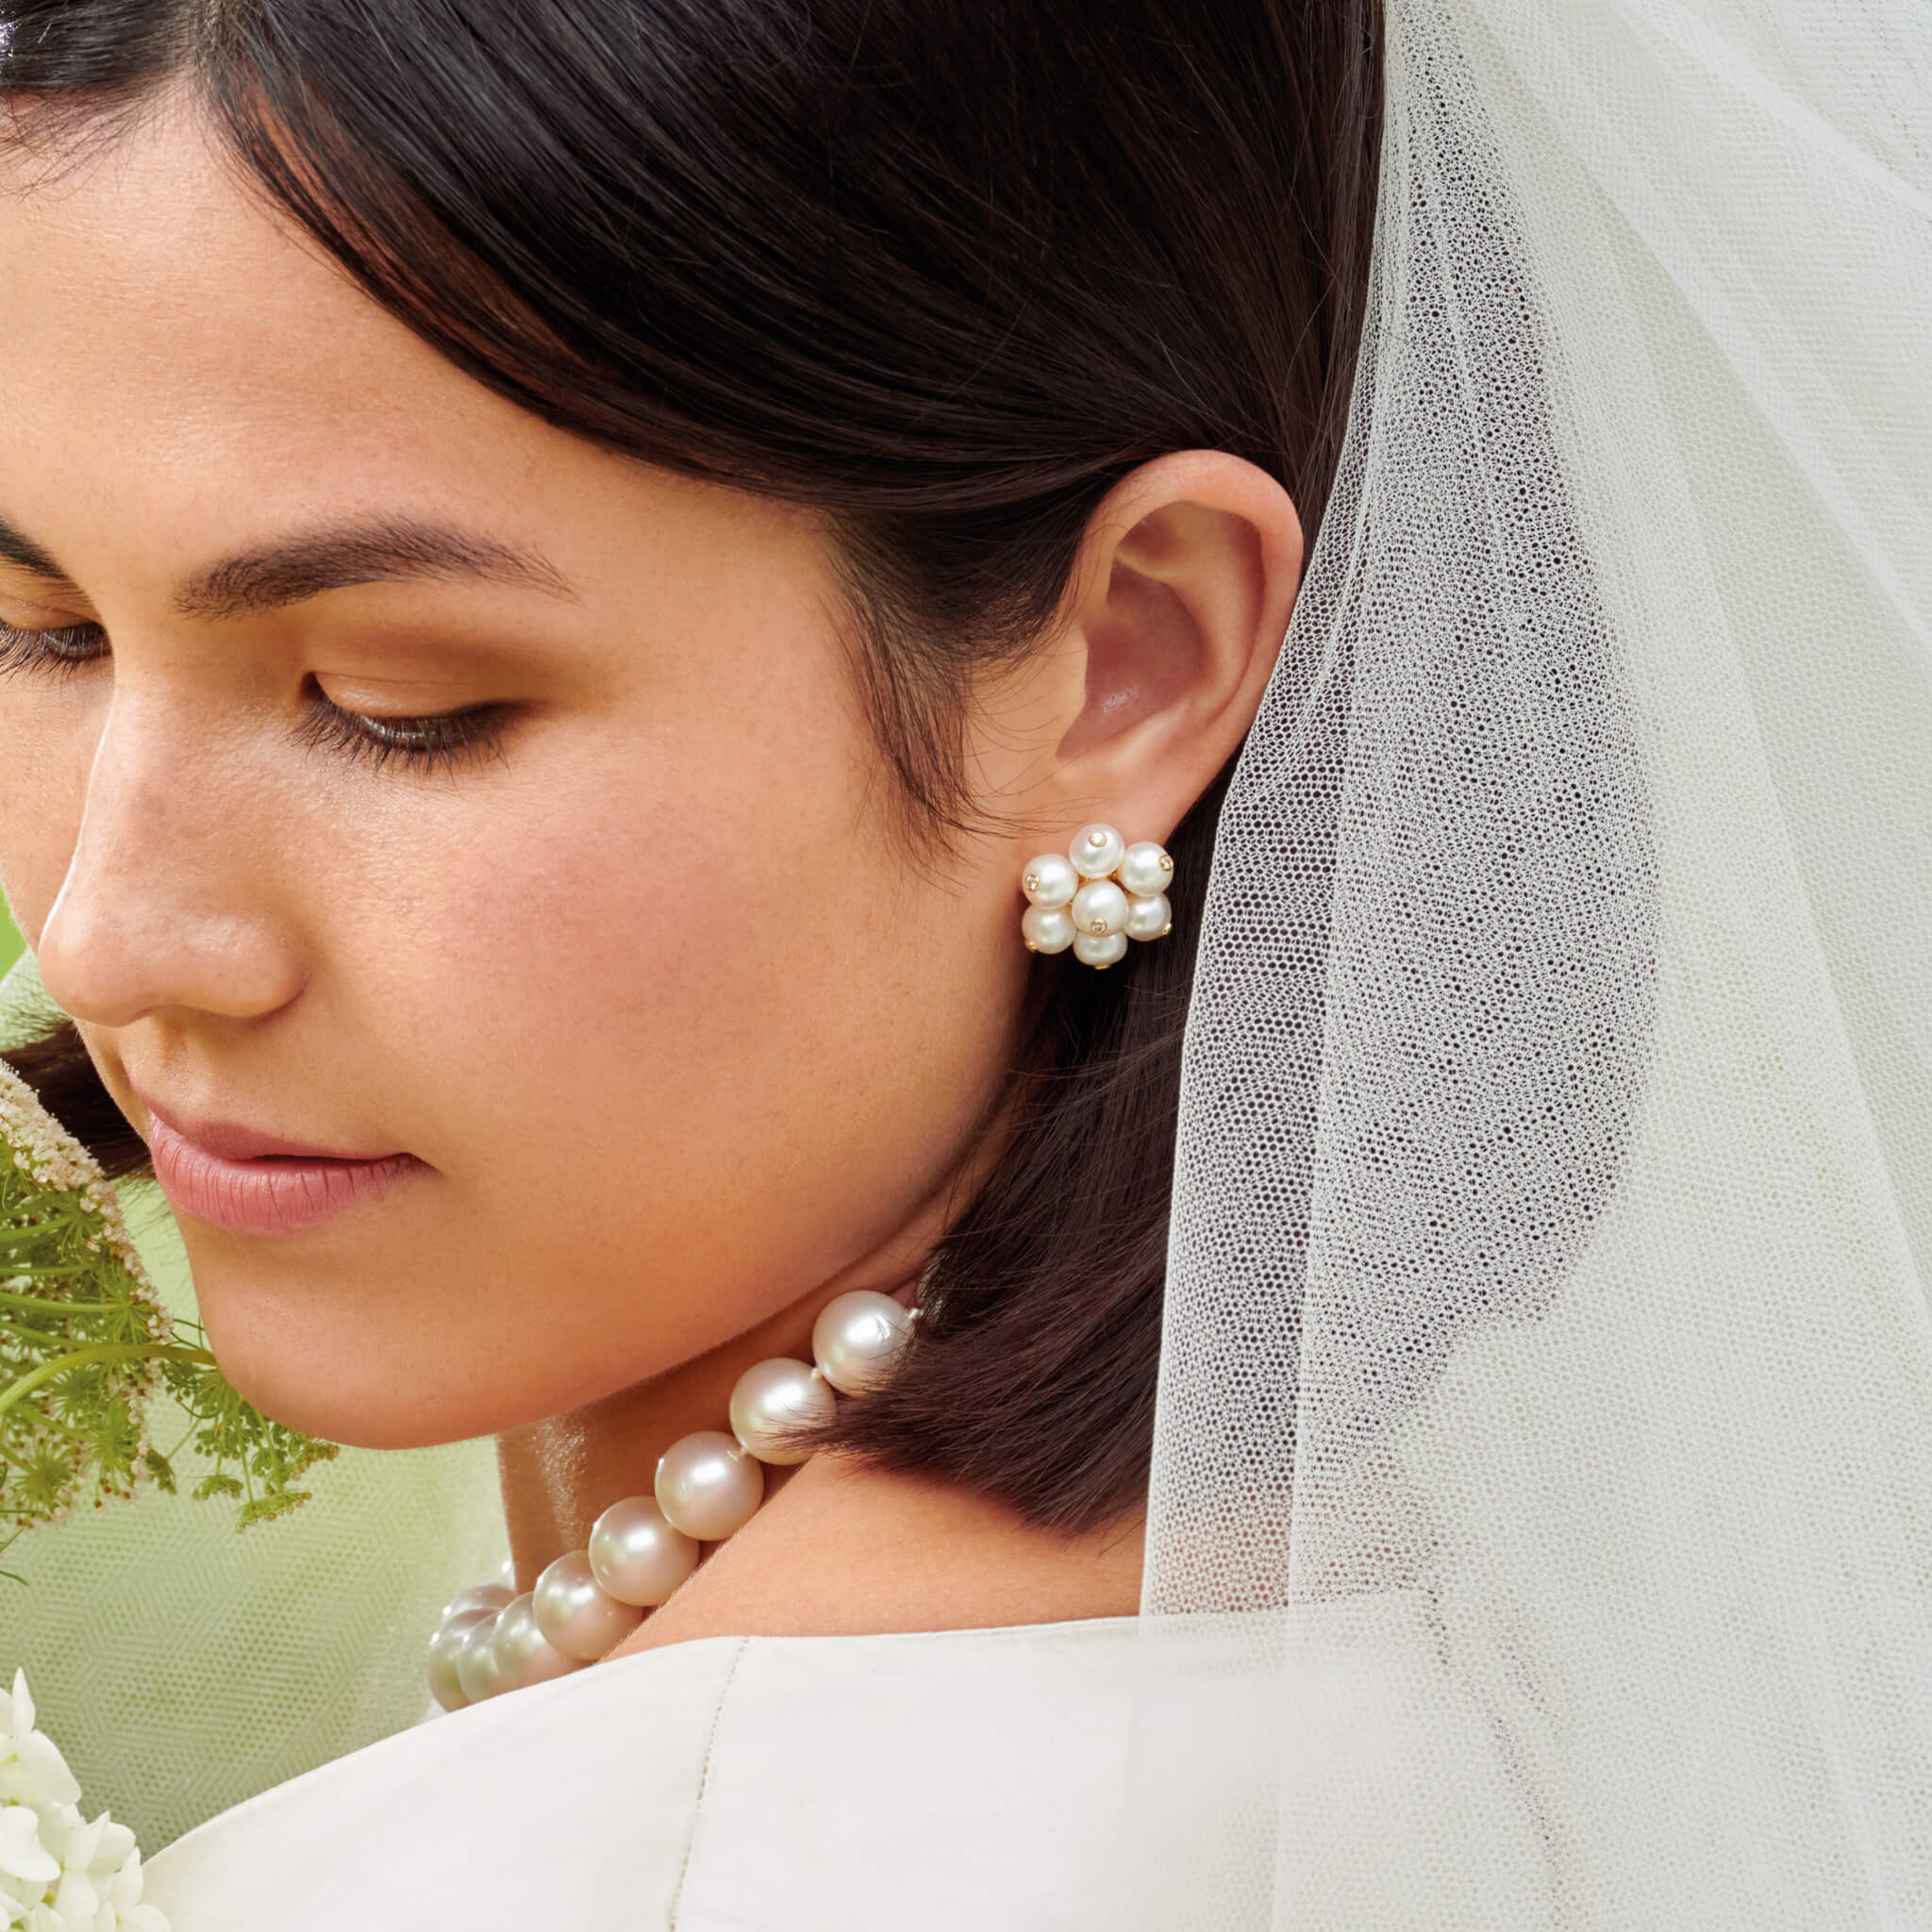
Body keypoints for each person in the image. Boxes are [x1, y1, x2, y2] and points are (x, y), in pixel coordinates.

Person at [0, 0, 1926, 1926]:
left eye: (394, 704)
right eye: (40, 629)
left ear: (1130, 662)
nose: (99, 927)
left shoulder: (664, 1868)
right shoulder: (1396, 1688)